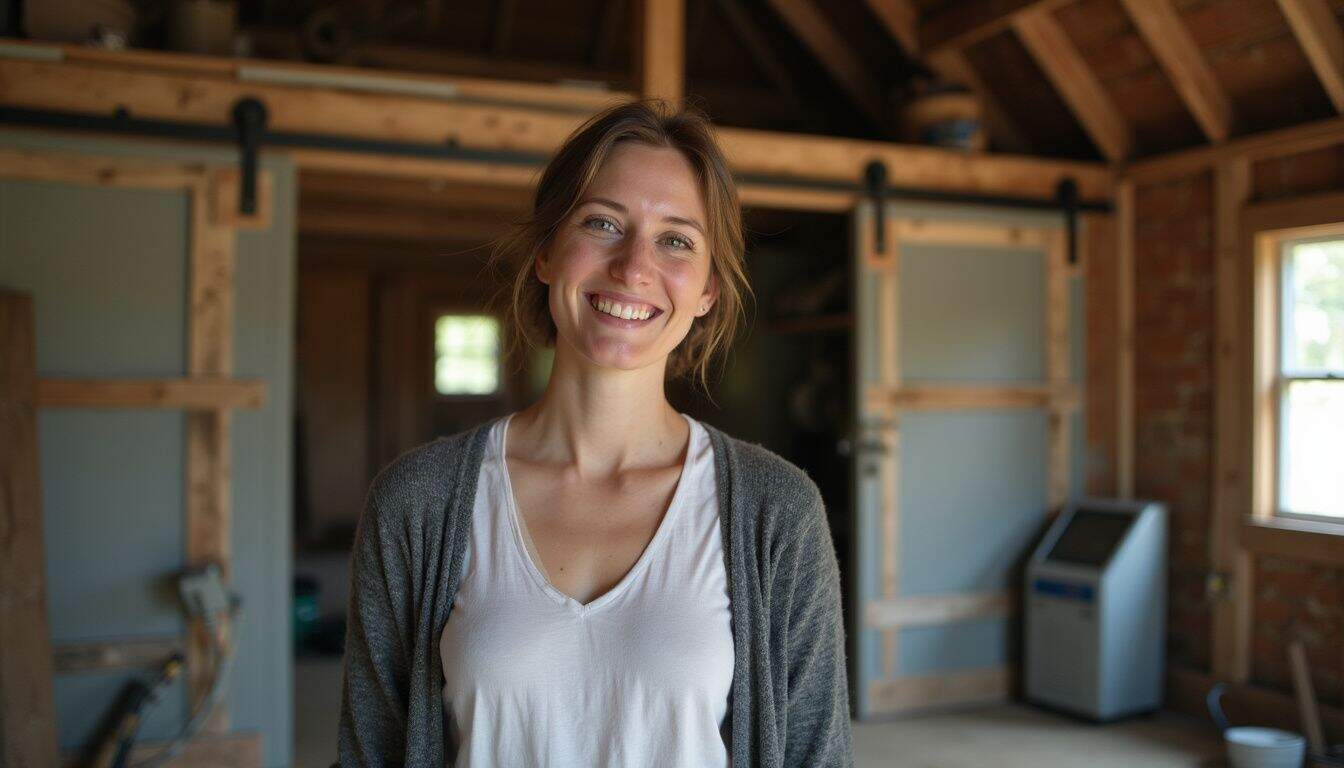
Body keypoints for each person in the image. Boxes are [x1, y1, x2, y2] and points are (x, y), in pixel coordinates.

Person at [337, 99, 853, 767]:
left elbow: (817, 756)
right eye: (603, 223)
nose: (634, 267)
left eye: (676, 240)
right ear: (548, 253)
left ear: (708, 291)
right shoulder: (416, 502)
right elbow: (369, 754)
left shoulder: (779, 512)